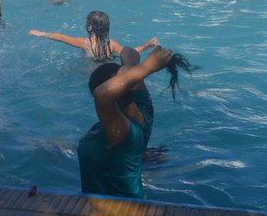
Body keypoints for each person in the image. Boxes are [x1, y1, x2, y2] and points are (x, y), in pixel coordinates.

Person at [77, 46, 186, 198]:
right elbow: (127, 51)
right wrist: (130, 69)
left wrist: (148, 67)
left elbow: (102, 94)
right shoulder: (143, 109)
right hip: (124, 201)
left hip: (120, 211)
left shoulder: (123, 132)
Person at [28, 10, 156, 62]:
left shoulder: (85, 43)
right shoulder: (112, 43)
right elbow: (129, 52)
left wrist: (41, 33)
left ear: (89, 26)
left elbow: (61, 37)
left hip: (90, 72)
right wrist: (146, 45)